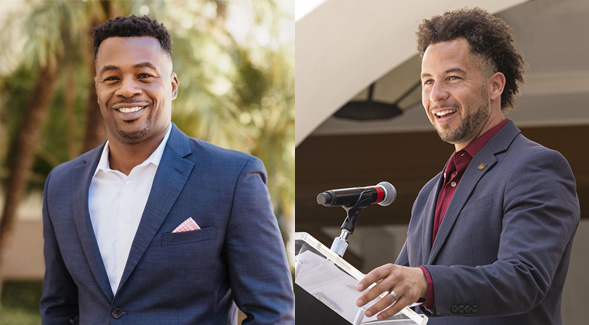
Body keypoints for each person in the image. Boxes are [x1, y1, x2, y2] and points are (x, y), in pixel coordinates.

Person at [40, 15, 294, 324]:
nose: (127, 89)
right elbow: (59, 308)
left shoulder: (233, 177)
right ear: (97, 88)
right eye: (112, 78)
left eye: (144, 75)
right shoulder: (62, 184)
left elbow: (272, 313)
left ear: (172, 86)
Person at [355, 8, 579, 325]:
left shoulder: (536, 166)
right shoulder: (429, 193)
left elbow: (524, 279)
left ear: (495, 86)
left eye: (453, 78)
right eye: (428, 81)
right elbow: (406, 298)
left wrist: (426, 282)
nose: (436, 95)